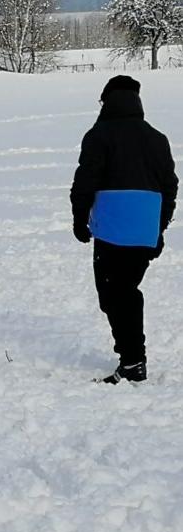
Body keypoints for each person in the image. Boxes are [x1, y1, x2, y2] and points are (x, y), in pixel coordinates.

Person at [70, 74, 177, 383]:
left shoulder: (99, 135)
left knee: (114, 294)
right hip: (144, 228)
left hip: (112, 228)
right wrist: (159, 228)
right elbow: (169, 186)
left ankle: (132, 361)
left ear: (106, 101)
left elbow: (86, 180)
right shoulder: (157, 138)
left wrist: (79, 218)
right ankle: (132, 359)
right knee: (126, 290)